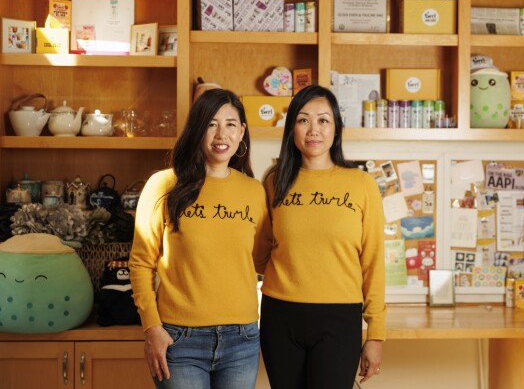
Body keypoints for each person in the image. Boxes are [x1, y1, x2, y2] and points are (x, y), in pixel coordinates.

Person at [129, 88, 272, 389]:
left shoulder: (254, 190)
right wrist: (151, 327)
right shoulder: (164, 185)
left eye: (231, 124)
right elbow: (141, 263)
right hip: (179, 339)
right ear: (197, 129)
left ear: (242, 131)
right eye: (211, 124)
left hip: (242, 339)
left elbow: (262, 260)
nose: (222, 134)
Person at [259, 85, 387, 388]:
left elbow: (373, 262)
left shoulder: (361, 184)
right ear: (291, 129)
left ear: (336, 129)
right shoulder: (274, 182)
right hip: (280, 315)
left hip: (339, 318)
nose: (313, 129)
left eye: (323, 120)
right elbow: (258, 252)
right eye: (303, 120)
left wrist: (376, 334)